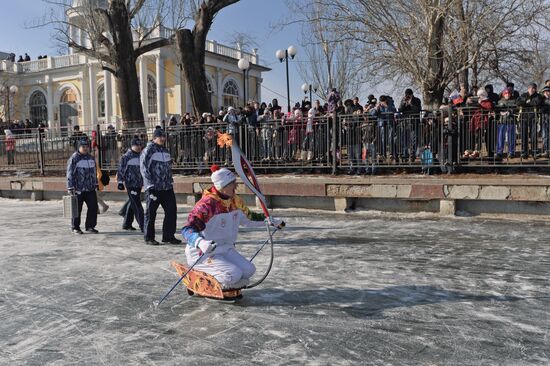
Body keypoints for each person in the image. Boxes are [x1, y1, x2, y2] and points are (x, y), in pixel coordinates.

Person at [181, 165, 283, 289]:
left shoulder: (235, 201)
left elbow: (249, 218)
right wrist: (200, 242)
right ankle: (199, 274)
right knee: (234, 275)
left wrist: (269, 220)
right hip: (203, 253)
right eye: (233, 183)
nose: (236, 186)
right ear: (223, 187)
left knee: (248, 270)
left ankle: (222, 278)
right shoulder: (207, 205)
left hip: (226, 249)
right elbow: (187, 229)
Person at [140, 128, 181, 245]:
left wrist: (170, 181)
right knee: (151, 213)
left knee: (171, 211)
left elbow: (168, 168)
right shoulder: (148, 150)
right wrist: (150, 185)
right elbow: (143, 168)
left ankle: (168, 236)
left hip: (167, 187)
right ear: (154, 137)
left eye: (164, 136)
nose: (163, 139)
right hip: (154, 188)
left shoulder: (165, 150)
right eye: (160, 136)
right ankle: (149, 237)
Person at [66, 138, 98, 234]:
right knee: (77, 208)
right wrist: (70, 186)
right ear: (79, 147)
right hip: (78, 188)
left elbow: (94, 171)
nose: (85, 148)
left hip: (90, 188)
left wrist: (95, 183)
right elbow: (70, 173)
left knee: (93, 207)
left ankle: (90, 226)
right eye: (83, 146)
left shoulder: (91, 158)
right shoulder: (74, 158)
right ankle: (75, 227)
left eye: (86, 146)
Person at [117, 136, 144, 231]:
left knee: (133, 202)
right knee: (137, 204)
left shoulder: (142, 156)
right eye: (137, 145)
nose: (139, 147)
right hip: (130, 183)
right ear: (132, 146)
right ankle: (143, 225)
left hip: (139, 183)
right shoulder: (126, 157)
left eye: (140, 145)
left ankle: (127, 224)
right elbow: (121, 170)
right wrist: (120, 182)